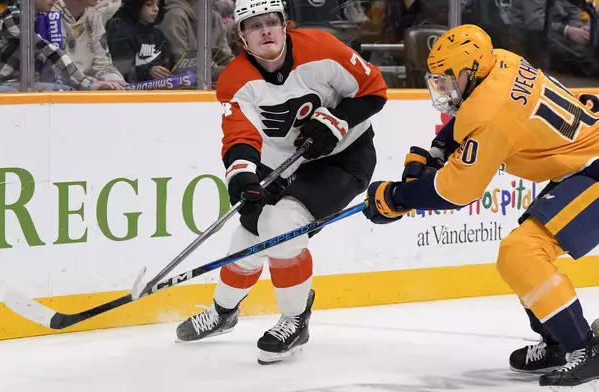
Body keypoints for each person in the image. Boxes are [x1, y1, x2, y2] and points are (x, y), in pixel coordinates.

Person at [362, 24, 599, 387]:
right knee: (522, 252)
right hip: (581, 162)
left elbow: (457, 191)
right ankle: (557, 340)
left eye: (448, 79)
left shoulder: (492, 114)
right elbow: (467, 113)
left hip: (592, 168)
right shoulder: (501, 61)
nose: (444, 88)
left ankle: (584, 348)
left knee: (522, 252)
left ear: (470, 70)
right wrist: (437, 152)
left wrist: (396, 197)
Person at [174, 0, 387, 365]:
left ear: (284, 24)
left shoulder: (322, 48)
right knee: (246, 236)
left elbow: (374, 88)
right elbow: (240, 135)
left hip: (344, 159)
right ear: (241, 37)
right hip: (283, 166)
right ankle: (223, 313)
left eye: (271, 22)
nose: (266, 31)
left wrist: (337, 120)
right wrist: (243, 176)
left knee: (281, 226)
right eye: (254, 26)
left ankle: (295, 319)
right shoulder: (235, 80)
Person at [106, 0, 172, 83]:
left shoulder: (157, 34)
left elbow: (168, 61)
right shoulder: (120, 32)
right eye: (149, 4)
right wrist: (148, 71)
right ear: (135, 6)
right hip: (129, 90)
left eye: (158, 5)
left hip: (158, 87)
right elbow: (122, 69)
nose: (156, 9)